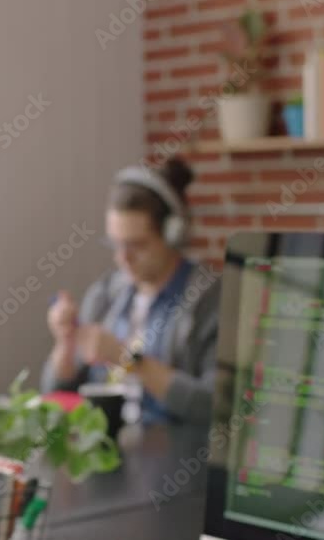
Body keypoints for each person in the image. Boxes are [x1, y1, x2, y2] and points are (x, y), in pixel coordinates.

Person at [41, 158, 220, 426]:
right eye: (115, 244)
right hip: (110, 452)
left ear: (172, 235)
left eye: (137, 246)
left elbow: (213, 407)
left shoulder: (209, 299)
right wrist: (65, 346)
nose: (123, 259)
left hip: (175, 458)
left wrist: (128, 359)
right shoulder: (106, 294)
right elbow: (56, 396)